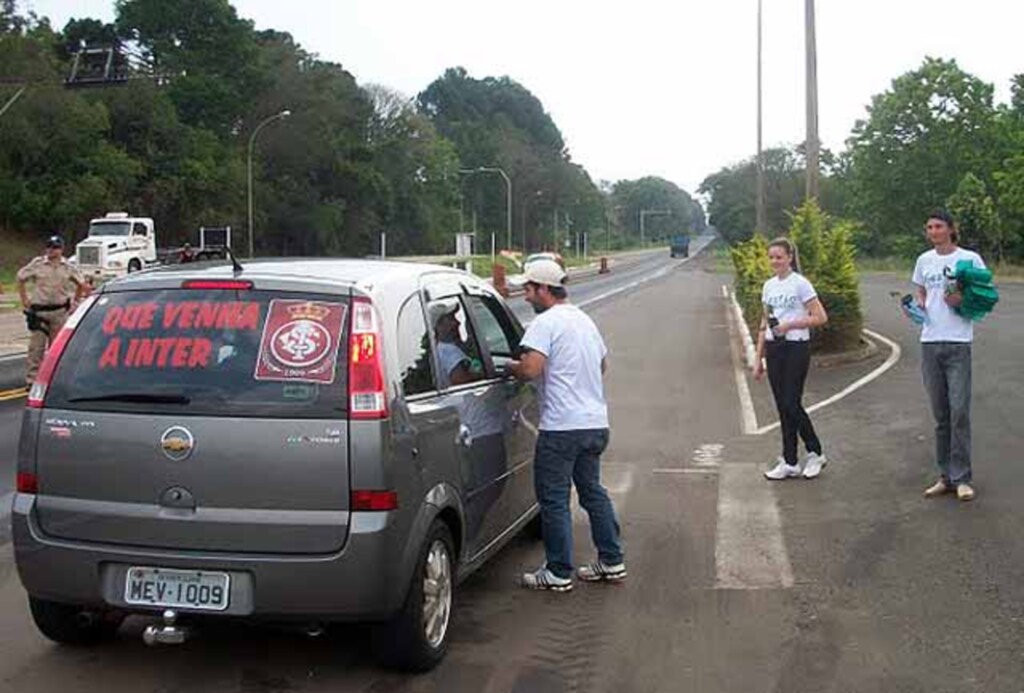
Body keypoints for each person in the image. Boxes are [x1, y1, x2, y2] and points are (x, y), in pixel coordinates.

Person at [508, 258, 625, 592]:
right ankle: (611, 560)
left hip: (561, 428)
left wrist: (509, 368)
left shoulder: (545, 323)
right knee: (592, 492)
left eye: (529, 289)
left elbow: (531, 369)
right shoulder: (584, 320)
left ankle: (558, 570)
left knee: (554, 498)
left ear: (545, 289)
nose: (525, 296)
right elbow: (601, 365)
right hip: (594, 424)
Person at [910, 210, 986, 502]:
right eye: (929, 227)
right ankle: (945, 476)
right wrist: (917, 306)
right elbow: (920, 292)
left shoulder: (969, 259)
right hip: (930, 341)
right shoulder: (923, 260)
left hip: (958, 342)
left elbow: (983, 296)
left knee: (959, 412)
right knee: (941, 415)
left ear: (951, 229)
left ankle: (962, 477)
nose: (933, 231)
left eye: (939, 226)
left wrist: (961, 300)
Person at [753, 237, 829, 480]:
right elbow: (764, 323)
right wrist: (758, 358)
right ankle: (790, 461)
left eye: (779, 256)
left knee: (791, 403)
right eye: (772, 257)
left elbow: (820, 317)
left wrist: (790, 324)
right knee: (782, 407)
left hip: (796, 346)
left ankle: (815, 452)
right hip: (775, 349)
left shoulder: (800, 284)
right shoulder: (769, 286)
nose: (775, 261)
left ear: (790, 258)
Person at [16, 235, 88, 386]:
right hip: (39, 313)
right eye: (49, 246)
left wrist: (75, 302)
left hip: (59, 312)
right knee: (36, 349)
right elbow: (20, 278)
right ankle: (32, 381)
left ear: (61, 250)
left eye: (55, 247)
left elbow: (81, 284)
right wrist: (24, 300)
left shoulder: (68, 267)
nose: (51, 250)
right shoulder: (38, 264)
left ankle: (55, 380)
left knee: (57, 349)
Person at [428, 300, 482, 388]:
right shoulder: (448, 351)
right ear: (439, 325)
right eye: (451, 318)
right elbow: (461, 382)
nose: (458, 323)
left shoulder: (438, 350)